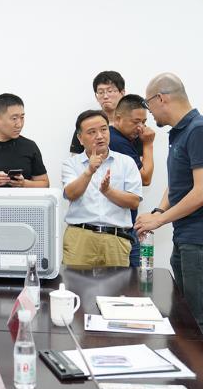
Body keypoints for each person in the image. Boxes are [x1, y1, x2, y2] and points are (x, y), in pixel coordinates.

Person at [135, 72, 203, 368]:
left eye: (148, 104)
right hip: (188, 237)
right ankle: (197, 380)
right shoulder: (180, 133)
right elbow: (179, 184)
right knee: (187, 318)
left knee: (202, 322)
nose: (149, 113)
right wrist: (158, 211)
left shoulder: (200, 131)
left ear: (161, 98)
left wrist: (160, 221)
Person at [62, 110, 142, 267]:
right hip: (80, 237)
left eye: (104, 129)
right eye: (92, 132)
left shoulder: (126, 162)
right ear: (80, 138)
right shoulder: (71, 164)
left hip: (116, 239)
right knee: (74, 282)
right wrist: (89, 171)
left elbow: (134, 202)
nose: (99, 136)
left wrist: (108, 191)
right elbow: (71, 194)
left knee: (118, 283)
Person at [109, 94, 156, 267]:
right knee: (132, 278)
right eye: (136, 122)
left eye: (144, 122)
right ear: (118, 118)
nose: (141, 127)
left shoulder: (126, 139)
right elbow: (145, 178)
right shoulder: (117, 141)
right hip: (119, 228)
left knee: (137, 276)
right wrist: (148, 144)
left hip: (126, 224)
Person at [69, 71, 134, 154]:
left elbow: (142, 158)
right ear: (96, 96)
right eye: (100, 92)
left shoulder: (134, 124)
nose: (105, 96)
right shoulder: (86, 124)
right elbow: (75, 157)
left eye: (110, 91)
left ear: (122, 93)